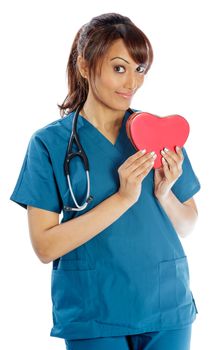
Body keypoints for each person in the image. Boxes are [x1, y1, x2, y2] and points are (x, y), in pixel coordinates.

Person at [10, 12, 201, 350]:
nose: (132, 83)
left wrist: (166, 194)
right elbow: (44, 246)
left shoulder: (158, 133)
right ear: (85, 66)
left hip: (166, 305)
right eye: (118, 68)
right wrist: (123, 198)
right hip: (94, 312)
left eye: (139, 69)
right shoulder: (49, 145)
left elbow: (187, 225)